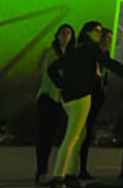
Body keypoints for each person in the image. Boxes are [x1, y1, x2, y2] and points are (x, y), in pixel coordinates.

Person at [48, 21, 123, 188]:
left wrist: (62, 85)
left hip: (68, 97)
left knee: (78, 135)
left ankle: (70, 174)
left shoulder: (76, 50)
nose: (99, 34)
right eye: (97, 31)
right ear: (87, 32)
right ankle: (59, 176)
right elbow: (108, 63)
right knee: (72, 137)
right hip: (81, 97)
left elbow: (53, 69)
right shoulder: (91, 50)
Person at [34, 24, 74, 186]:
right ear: (57, 35)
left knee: (55, 137)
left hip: (61, 100)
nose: (66, 36)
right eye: (63, 32)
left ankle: (49, 171)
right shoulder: (50, 52)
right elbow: (44, 70)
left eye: (69, 33)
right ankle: (42, 171)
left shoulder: (71, 55)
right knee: (45, 136)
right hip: (48, 97)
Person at [78, 28, 112, 181]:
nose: (108, 42)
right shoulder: (93, 53)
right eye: (106, 38)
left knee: (88, 130)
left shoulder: (104, 54)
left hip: (98, 94)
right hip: (88, 93)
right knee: (82, 129)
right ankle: (77, 166)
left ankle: (81, 167)